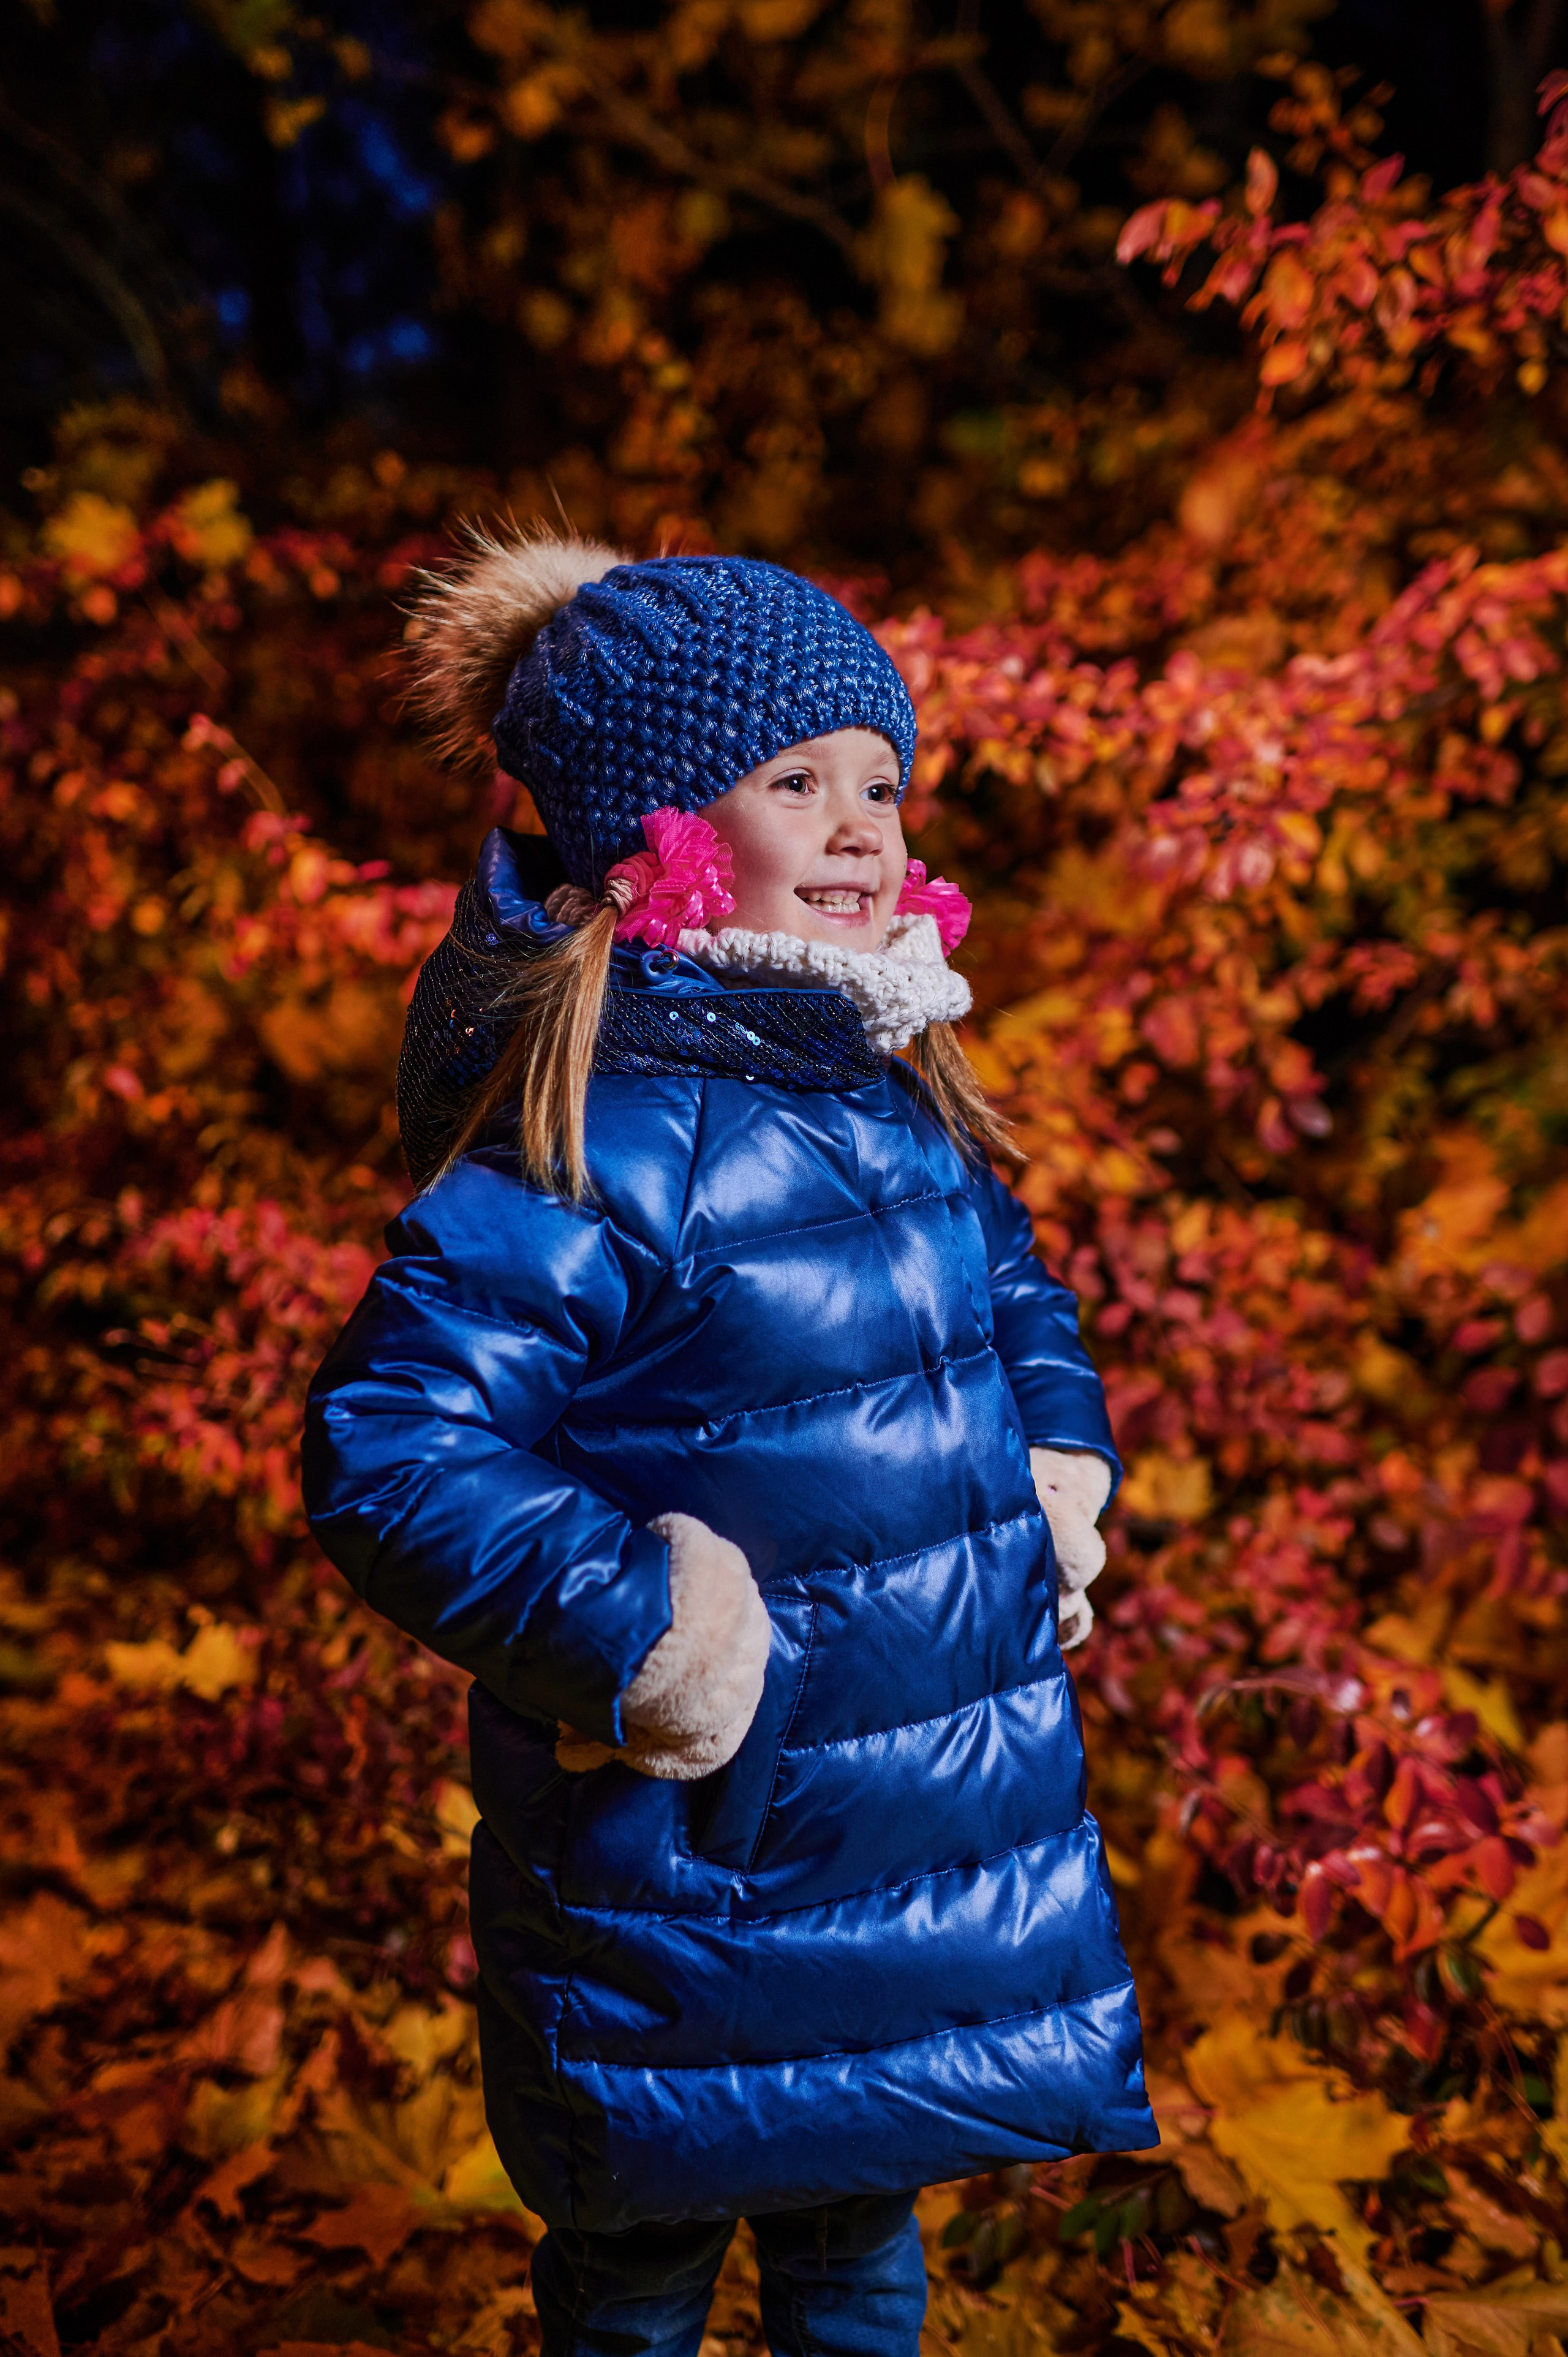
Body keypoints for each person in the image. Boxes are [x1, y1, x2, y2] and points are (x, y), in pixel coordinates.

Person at [302, 533, 1155, 2357]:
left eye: (880, 784)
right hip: (681, 1847)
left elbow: (1019, 1304)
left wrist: (1059, 1468)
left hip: (911, 1836)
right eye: (795, 783)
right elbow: (392, 1441)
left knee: (860, 2249)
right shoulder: (599, 1136)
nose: (859, 824)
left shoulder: (886, 1081)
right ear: (661, 831)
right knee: (642, 2266)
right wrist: (638, 1618)